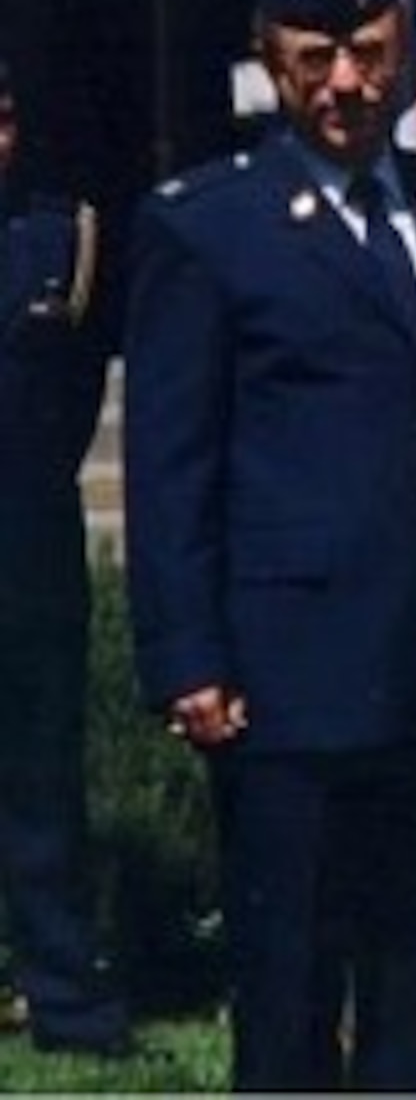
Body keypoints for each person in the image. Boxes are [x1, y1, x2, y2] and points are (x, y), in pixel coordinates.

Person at [121, 0, 416, 1090]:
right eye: (316, 58)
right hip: (284, 676)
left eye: (365, 52)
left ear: (400, 46)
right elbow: (170, 466)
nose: (346, 83)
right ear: (269, 57)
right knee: (292, 979)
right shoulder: (204, 225)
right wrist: (186, 657)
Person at [0, 58, 135, 1059]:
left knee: (43, 782)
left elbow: (74, 387)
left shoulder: (63, 237)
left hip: (24, 544)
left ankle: (64, 994)